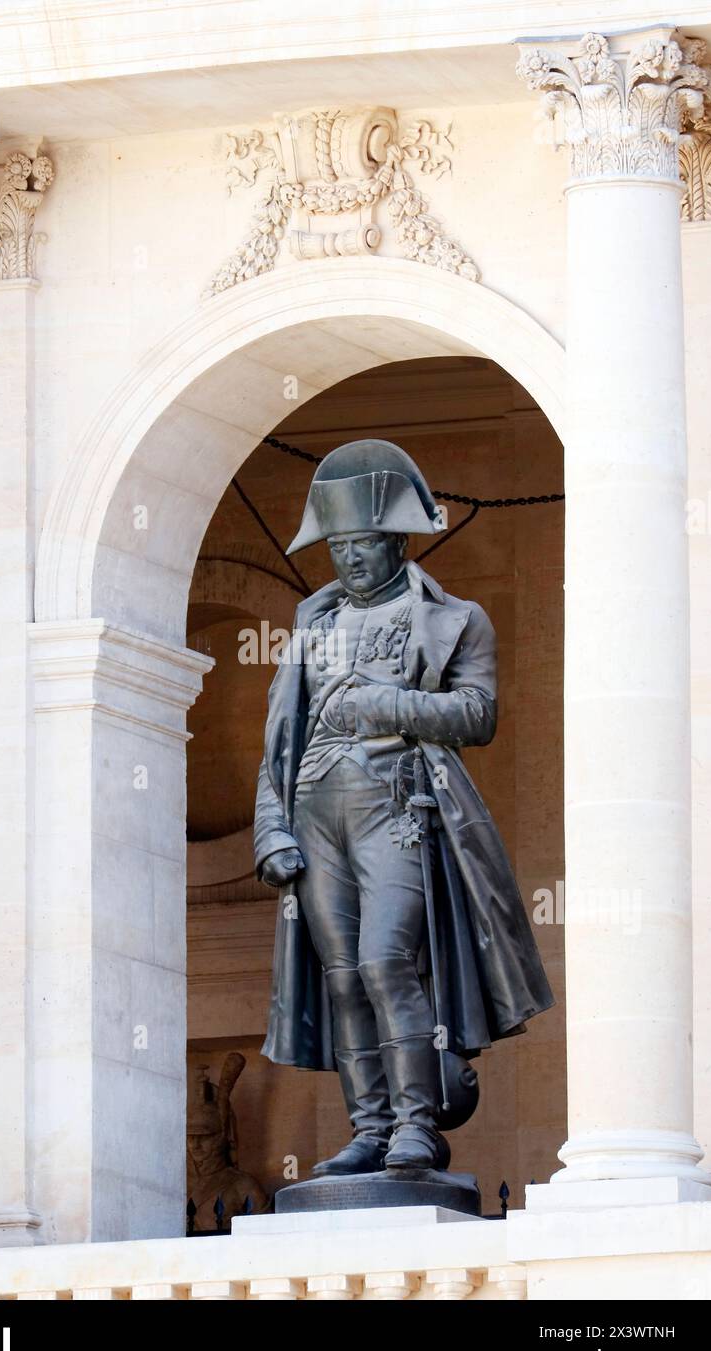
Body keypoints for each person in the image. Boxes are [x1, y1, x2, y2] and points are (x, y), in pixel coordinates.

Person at [254, 439, 553, 1176]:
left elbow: (477, 714)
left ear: (395, 542)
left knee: (389, 961)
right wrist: (270, 825)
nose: (349, 560)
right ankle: (371, 1127)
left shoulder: (457, 618)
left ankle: (417, 1124)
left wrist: (383, 704)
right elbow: (280, 740)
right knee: (344, 974)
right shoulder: (311, 626)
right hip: (317, 806)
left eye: (363, 544)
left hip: (398, 802)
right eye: (339, 547)